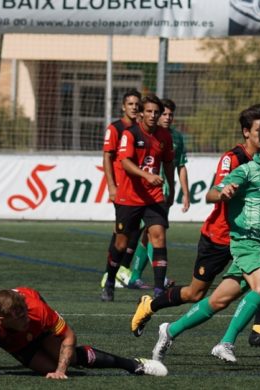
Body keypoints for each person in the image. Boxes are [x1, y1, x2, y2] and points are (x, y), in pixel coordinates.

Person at [150, 112, 260, 364]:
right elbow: (211, 194)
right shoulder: (247, 171)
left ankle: (170, 330)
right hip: (246, 241)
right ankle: (226, 342)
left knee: (219, 300)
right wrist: (223, 194)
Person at [0, 287, 167, 378]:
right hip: (15, 345)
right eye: (20, 318)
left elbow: (69, 336)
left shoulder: (36, 310)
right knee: (46, 368)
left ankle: (133, 364)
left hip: (42, 331)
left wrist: (61, 370)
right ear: (1, 319)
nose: (26, 319)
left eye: (26, 314)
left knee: (69, 358)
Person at [101, 94, 174, 302]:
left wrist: (172, 187)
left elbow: (168, 162)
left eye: (156, 112)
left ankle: (159, 290)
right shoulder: (129, 134)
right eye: (149, 111)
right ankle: (109, 281)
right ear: (141, 113)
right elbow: (125, 162)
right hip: (129, 197)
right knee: (121, 244)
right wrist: (147, 175)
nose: (153, 115)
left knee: (158, 236)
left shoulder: (164, 136)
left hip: (154, 197)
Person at [127, 98, 189, 292]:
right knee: (153, 233)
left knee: (152, 233)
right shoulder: (145, 134)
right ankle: (155, 278)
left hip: (163, 193)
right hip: (143, 193)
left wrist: (184, 192)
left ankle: (135, 276)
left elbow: (180, 166)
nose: (167, 117)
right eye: (164, 114)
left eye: (170, 114)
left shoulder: (175, 137)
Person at [100, 89, 149, 292]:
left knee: (137, 230)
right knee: (122, 236)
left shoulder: (142, 129)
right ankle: (109, 276)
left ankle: (122, 271)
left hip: (141, 191)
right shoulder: (116, 128)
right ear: (123, 106)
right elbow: (107, 158)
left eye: (137, 104)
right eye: (130, 104)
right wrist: (111, 185)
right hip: (122, 189)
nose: (134, 107)